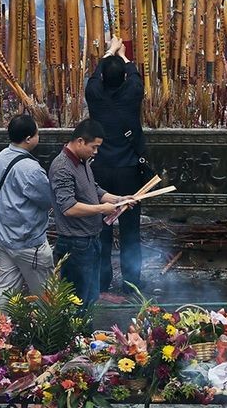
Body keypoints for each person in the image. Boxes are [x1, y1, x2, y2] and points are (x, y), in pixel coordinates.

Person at [47, 119, 136, 307]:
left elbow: (94, 190)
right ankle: (77, 327)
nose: (96, 152)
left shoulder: (83, 161)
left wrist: (119, 199)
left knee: (91, 297)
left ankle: (86, 326)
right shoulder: (62, 167)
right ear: (80, 141)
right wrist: (102, 209)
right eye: (93, 147)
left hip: (90, 240)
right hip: (75, 243)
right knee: (77, 301)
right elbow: (68, 208)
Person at [86, 38, 145, 293]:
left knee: (102, 227)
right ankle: (131, 284)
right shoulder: (132, 93)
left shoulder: (95, 95)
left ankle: (102, 281)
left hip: (99, 170)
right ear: (123, 78)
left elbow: (94, 76)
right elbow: (135, 75)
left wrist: (110, 51)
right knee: (131, 229)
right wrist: (122, 54)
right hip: (129, 170)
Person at [0, 115, 54, 312]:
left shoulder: (2, 156)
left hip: (3, 236)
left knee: (6, 286)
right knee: (46, 293)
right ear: (28, 139)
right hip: (28, 242)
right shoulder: (30, 169)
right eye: (37, 133)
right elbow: (48, 199)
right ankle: (49, 327)